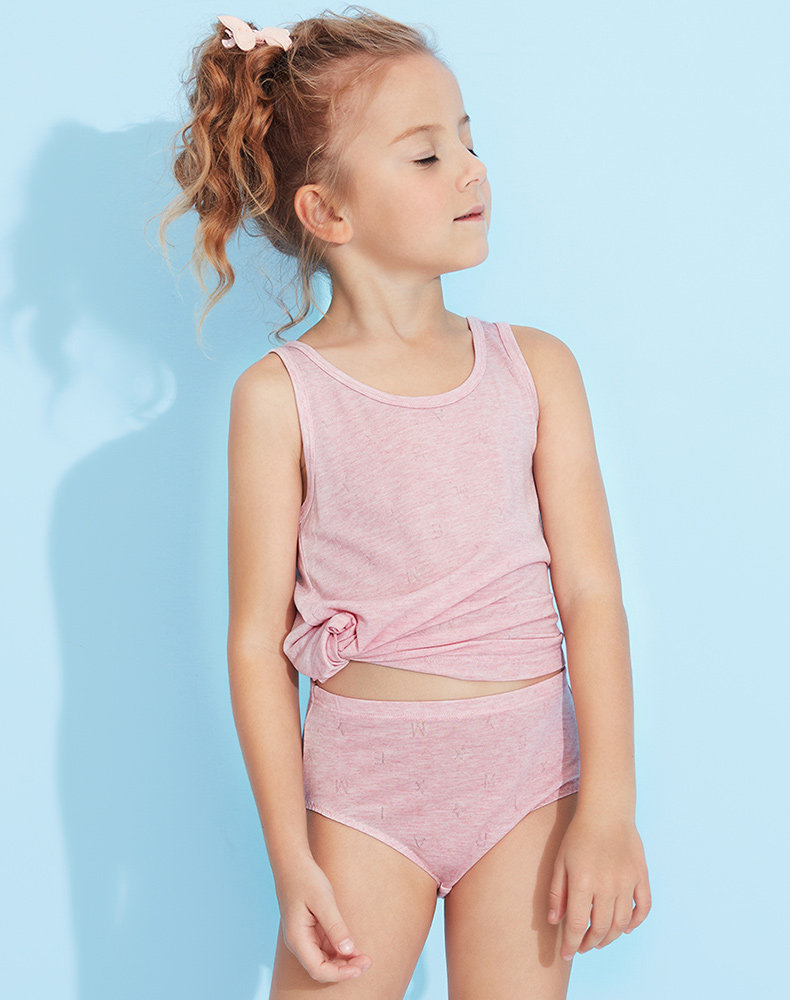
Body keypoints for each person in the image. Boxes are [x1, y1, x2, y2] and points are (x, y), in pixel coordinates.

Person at [158, 7, 652, 997]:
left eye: (468, 139)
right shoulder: (280, 397)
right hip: (364, 796)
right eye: (427, 155)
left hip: (528, 783)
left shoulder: (536, 368)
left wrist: (608, 807)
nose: (471, 170)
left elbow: (592, 596)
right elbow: (256, 643)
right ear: (327, 212)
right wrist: (291, 859)